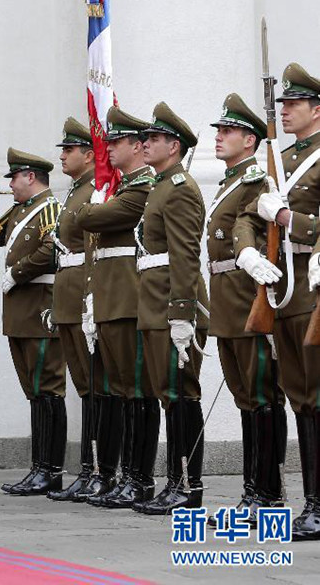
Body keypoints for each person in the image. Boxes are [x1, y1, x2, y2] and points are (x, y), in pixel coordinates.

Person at [235, 62, 320, 541]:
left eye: (293, 104)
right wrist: (247, 250)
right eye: (282, 104)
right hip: (282, 289)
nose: (285, 111)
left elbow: (298, 220)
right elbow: (249, 214)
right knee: (299, 397)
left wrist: (288, 216)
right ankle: (311, 503)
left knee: (317, 394)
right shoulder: (280, 160)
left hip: (313, 286)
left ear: (316, 109)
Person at [0, 147, 65, 497]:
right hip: (21, 311)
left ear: (30, 177)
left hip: (39, 307)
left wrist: (17, 273)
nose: (12, 185)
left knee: (48, 388)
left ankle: (50, 469)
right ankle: (38, 467)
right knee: (34, 392)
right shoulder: (20, 209)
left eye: (15, 178)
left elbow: (52, 250)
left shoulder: (50, 207)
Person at [206, 94, 285, 526]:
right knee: (245, 398)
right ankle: (253, 490)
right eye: (219, 131)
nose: (219, 137)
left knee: (261, 397)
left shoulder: (256, 181)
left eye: (228, 131)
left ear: (250, 139)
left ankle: (266, 493)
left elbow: (252, 230)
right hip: (226, 299)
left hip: (247, 296)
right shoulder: (230, 182)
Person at [76, 106, 159, 509]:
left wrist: (92, 205)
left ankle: (139, 478)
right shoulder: (125, 187)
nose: (107, 147)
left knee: (137, 392)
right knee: (123, 393)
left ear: (137, 147)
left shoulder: (142, 188)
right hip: (111, 300)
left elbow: (87, 220)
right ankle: (124, 475)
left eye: (115, 141)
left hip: (128, 301)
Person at [131, 103, 209, 515]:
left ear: (173, 145)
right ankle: (174, 481)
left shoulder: (179, 188)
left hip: (172, 306)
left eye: (154, 139)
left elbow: (184, 254)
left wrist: (183, 312)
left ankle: (187, 486)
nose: (145, 144)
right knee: (168, 395)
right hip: (155, 303)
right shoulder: (161, 185)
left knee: (181, 395)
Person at [43, 118, 105, 503]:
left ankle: (95, 468)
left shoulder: (95, 190)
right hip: (66, 294)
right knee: (85, 387)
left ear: (88, 153)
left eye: (69, 150)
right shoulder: (75, 191)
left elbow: (91, 252)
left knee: (94, 387)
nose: (63, 156)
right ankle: (86, 469)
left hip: (82, 293)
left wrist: (87, 298)